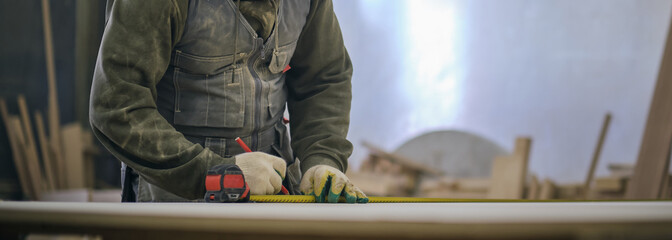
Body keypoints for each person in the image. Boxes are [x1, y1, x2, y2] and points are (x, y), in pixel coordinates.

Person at [89, 0, 368, 203]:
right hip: (175, 203)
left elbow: (322, 79)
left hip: (273, 197)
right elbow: (117, 107)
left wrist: (322, 159)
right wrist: (217, 173)